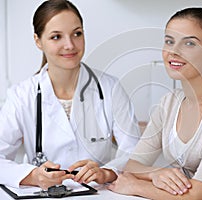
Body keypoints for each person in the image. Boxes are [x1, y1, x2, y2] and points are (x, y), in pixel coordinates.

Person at [108, 7, 202, 200]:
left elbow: (199, 195)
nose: (173, 51)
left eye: (189, 43)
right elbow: (133, 165)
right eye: (169, 41)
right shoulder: (169, 104)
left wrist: (136, 186)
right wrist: (155, 173)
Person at [0, 0, 140, 190]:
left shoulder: (110, 88)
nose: (70, 45)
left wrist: (106, 172)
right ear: (38, 41)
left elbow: (135, 153)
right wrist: (33, 176)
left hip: (100, 194)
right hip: (42, 194)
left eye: (77, 34)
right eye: (56, 37)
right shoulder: (22, 95)